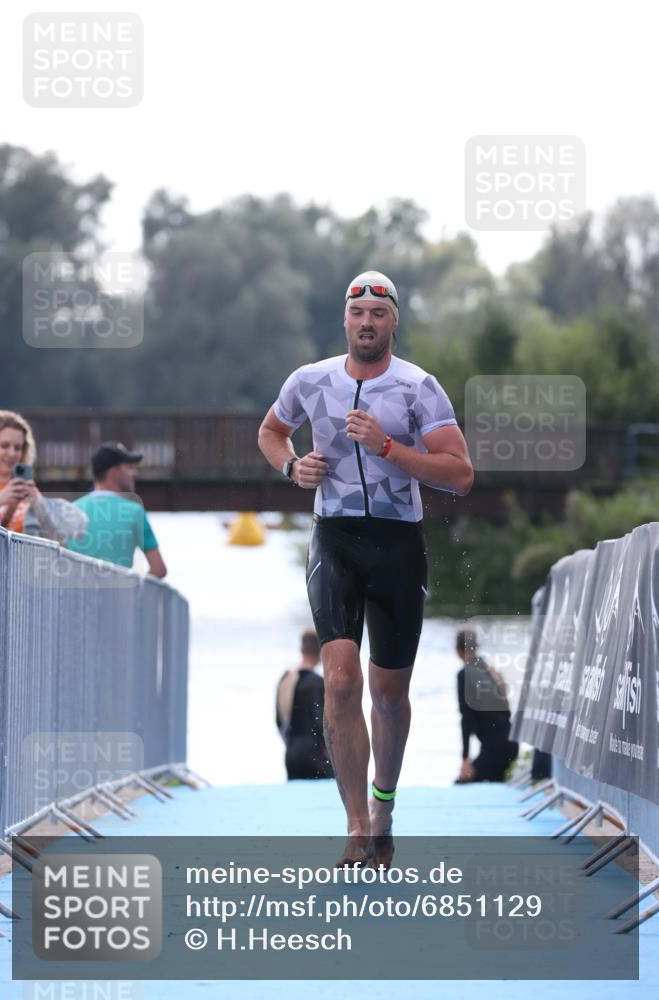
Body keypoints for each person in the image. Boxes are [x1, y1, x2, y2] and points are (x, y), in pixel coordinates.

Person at [258, 270, 474, 867]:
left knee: (388, 694)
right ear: (345, 320)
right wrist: (291, 467)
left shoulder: (418, 388)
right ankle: (355, 824)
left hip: (398, 544)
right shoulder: (310, 380)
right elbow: (272, 432)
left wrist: (387, 447)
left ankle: (383, 806)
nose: (367, 323)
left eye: (379, 313)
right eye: (358, 314)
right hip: (335, 540)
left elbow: (459, 474)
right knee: (340, 679)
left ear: (393, 321)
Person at [67, 441, 167, 577]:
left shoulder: (71, 510)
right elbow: (159, 569)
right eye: (129, 467)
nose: (134, 473)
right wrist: (134, 588)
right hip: (119, 590)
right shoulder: (134, 512)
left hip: (76, 590)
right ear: (113, 472)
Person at [0, 409, 87, 543]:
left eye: (18, 448)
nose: (12, 453)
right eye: (4, 446)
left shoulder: (28, 490)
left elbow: (58, 543)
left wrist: (39, 507)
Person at [454, 628, 518, 783]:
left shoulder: (464, 675)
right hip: (511, 744)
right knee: (496, 782)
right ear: (476, 647)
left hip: (495, 750)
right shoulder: (490, 670)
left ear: (457, 649)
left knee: (461, 784)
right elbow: (506, 710)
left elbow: (466, 718)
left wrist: (465, 759)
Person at [276, 629, 334, 780]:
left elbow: (279, 720)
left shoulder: (286, 679)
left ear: (301, 649)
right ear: (320, 651)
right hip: (314, 754)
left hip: (291, 752)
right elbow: (320, 722)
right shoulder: (317, 683)